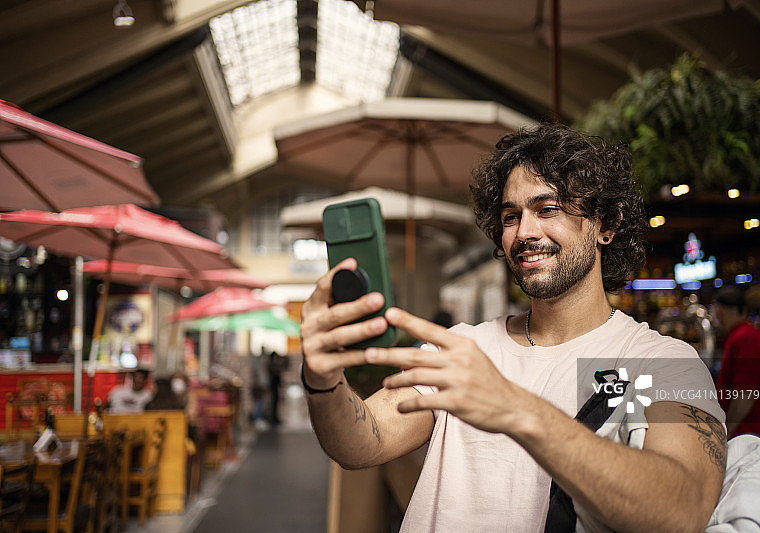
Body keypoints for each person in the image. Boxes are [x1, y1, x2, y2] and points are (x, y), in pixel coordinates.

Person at [300, 124, 727, 532]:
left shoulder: (653, 362)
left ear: (606, 224)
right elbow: (360, 444)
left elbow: (681, 511)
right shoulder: (464, 347)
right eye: (510, 217)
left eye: (547, 209)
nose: (524, 232)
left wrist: (516, 408)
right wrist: (322, 379)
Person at [711, 285, 760, 452]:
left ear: (721, 311)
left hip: (758, 443)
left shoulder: (745, 338)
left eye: (716, 310)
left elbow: (745, 395)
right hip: (752, 441)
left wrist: (724, 436)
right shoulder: (740, 336)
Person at [267, 350, 286, 425]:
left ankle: (274, 418)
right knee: (273, 402)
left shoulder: (272, 365)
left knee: (275, 402)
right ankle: (273, 418)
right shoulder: (272, 365)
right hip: (273, 387)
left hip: (274, 387)